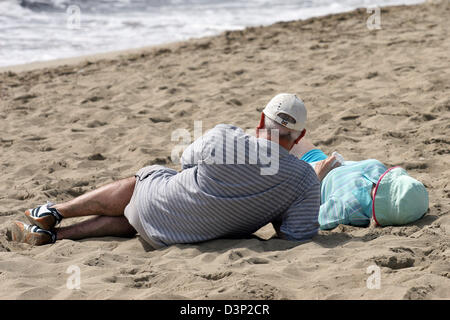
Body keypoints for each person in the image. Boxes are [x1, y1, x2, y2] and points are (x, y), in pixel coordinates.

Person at [9, 93, 323, 248]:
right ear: (300, 137)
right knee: (142, 212)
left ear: (259, 121)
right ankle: (56, 236)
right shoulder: (304, 180)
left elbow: (186, 162)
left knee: (146, 180)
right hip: (192, 233)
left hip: (163, 207)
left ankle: (54, 211)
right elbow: (293, 236)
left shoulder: (224, 136)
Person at [292, 139, 429, 230]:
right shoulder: (378, 169)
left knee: (275, 140)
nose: (376, 187)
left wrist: (315, 179)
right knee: (277, 125)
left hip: (297, 183)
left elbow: (302, 221)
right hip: (319, 162)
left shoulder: (348, 208)